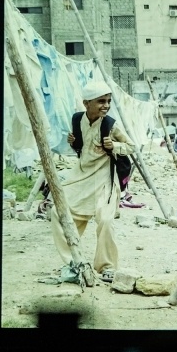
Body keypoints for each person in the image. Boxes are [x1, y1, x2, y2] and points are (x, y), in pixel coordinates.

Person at [49, 80, 135, 283]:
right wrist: (74, 143)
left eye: (108, 101)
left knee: (105, 219)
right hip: (81, 175)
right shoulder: (77, 119)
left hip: (105, 176)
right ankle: (74, 261)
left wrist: (114, 145)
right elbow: (82, 148)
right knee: (58, 213)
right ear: (86, 103)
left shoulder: (110, 125)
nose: (106, 105)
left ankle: (106, 266)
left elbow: (131, 146)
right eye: (101, 101)